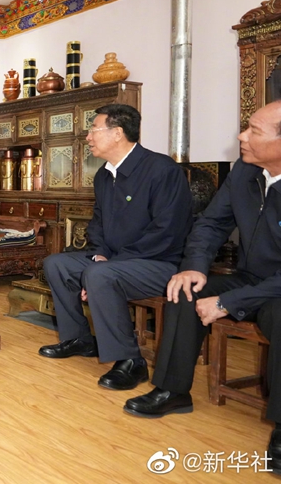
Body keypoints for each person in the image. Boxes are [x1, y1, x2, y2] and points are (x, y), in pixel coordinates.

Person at [124, 100, 281, 471]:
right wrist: (194, 267)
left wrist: (227, 303)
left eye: (254, 131)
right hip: (252, 275)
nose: (241, 137)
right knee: (184, 290)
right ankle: (173, 389)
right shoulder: (245, 171)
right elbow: (211, 224)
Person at [37, 104, 193, 391]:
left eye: (93, 130)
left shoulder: (162, 170)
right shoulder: (104, 175)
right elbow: (98, 223)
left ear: (118, 133)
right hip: (116, 262)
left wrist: (109, 265)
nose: (88, 137)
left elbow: (166, 233)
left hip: (161, 264)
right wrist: (100, 254)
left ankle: (131, 361)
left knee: (100, 275)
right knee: (57, 264)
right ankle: (79, 339)